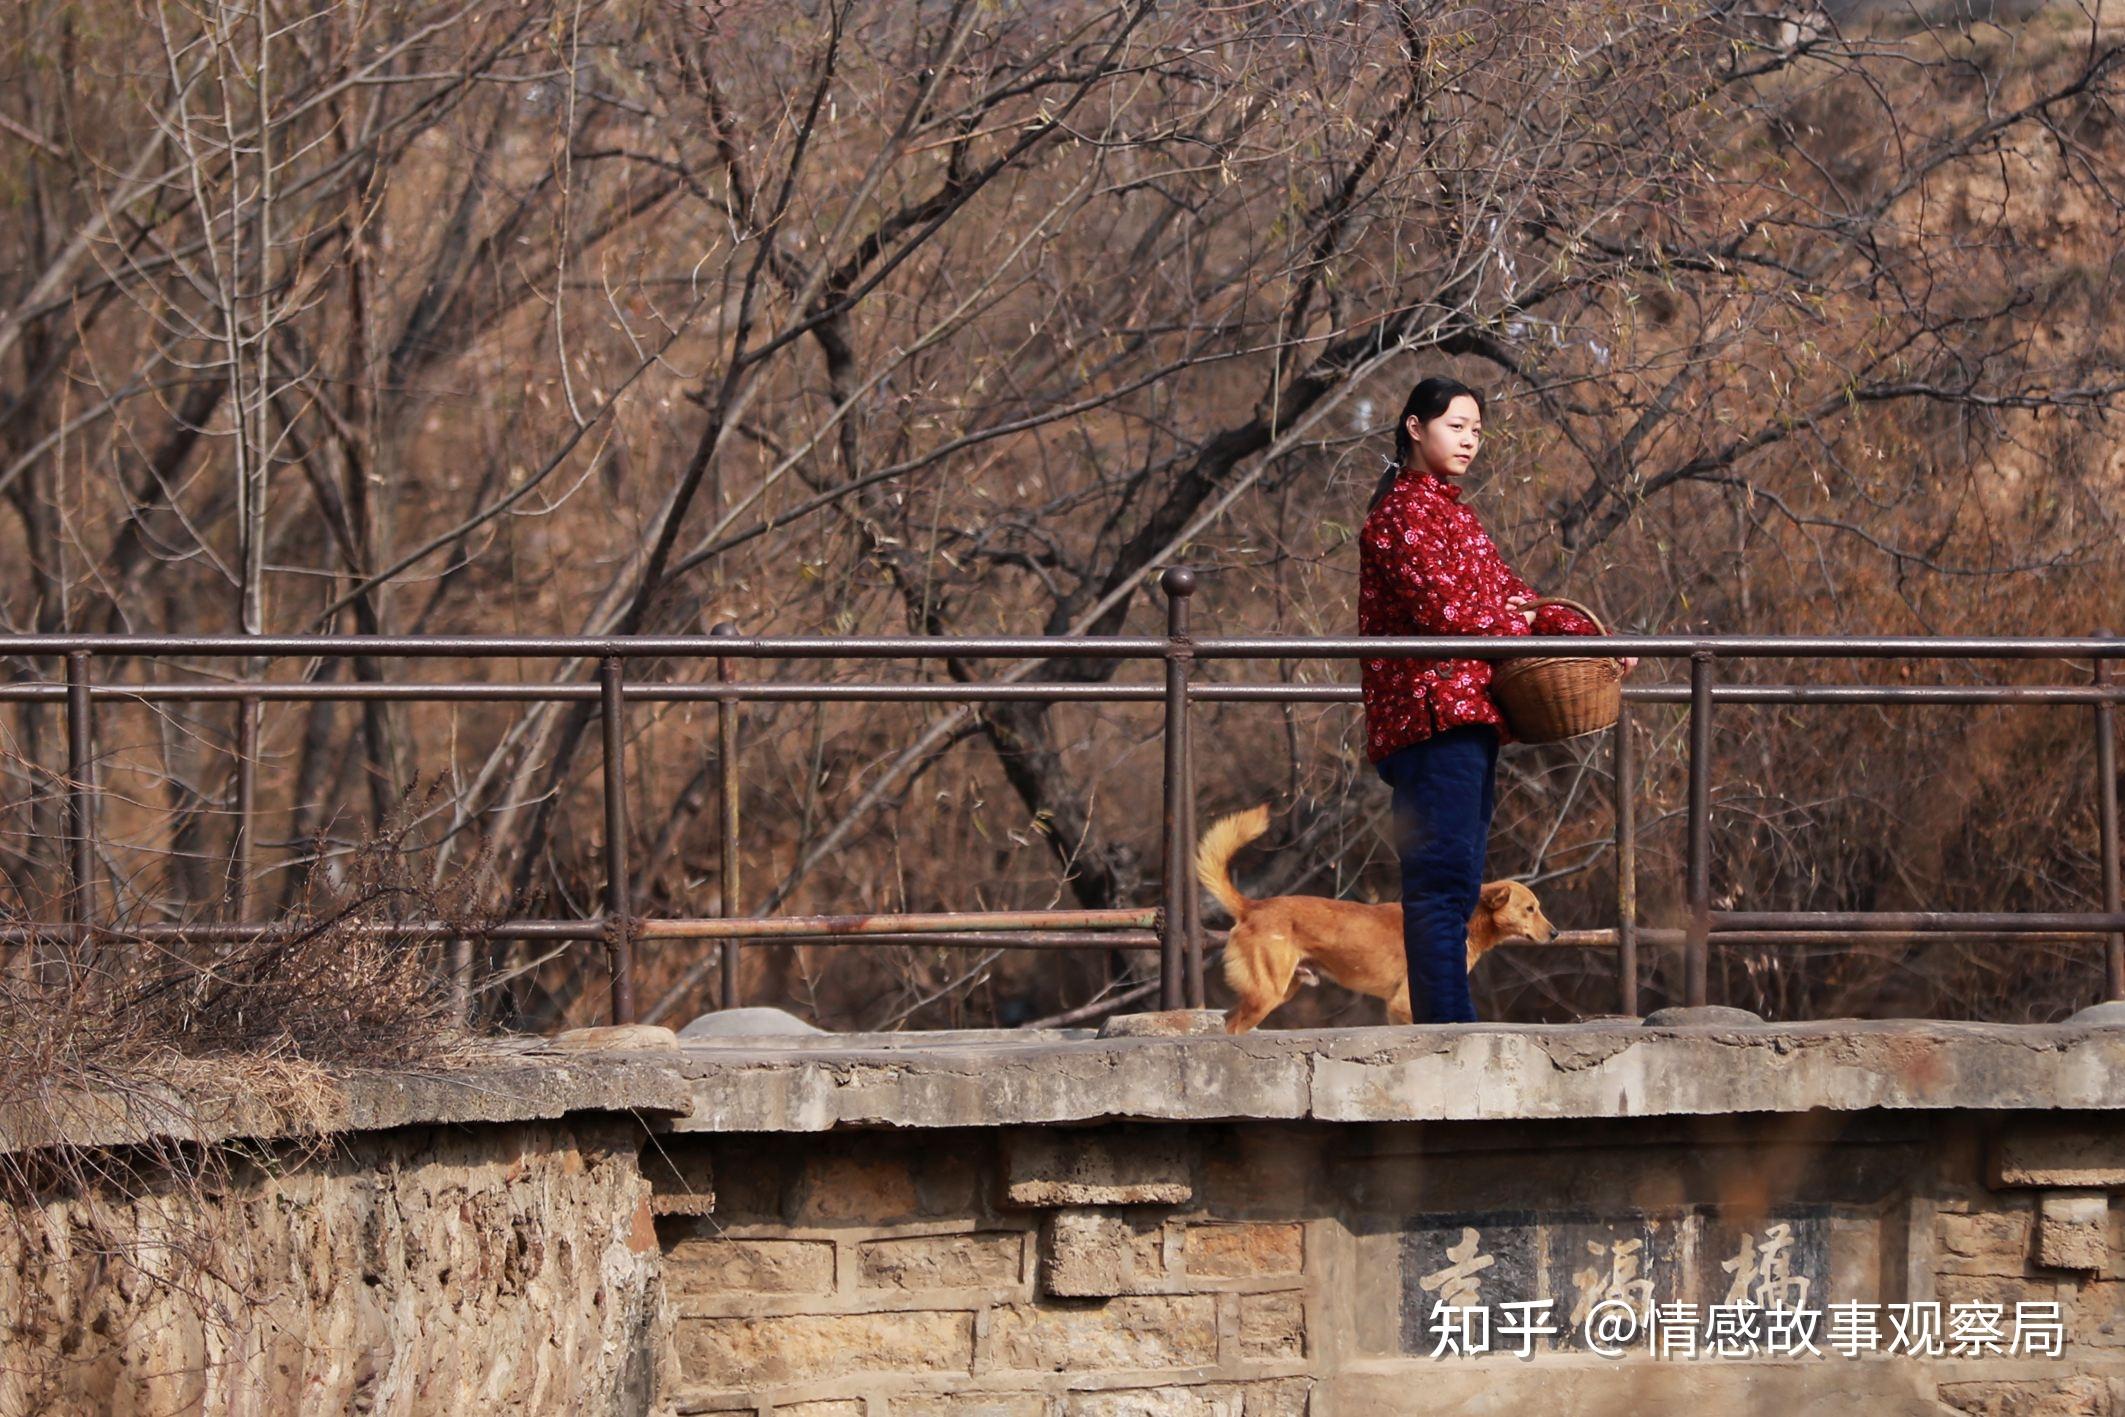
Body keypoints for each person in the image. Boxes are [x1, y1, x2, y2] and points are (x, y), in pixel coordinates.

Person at [1358, 376, 1610, 1024]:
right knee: (1440, 881)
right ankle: (1446, 1027)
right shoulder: (1397, 516)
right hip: (1425, 717)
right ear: (1414, 427)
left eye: (1475, 429)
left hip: (1469, 719)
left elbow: (1515, 600)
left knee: (1461, 880)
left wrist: (1595, 641)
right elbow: (1450, 613)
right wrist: (1515, 619)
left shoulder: (1455, 515)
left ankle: (1449, 1020)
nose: (1469, 439)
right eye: (1454, 426)